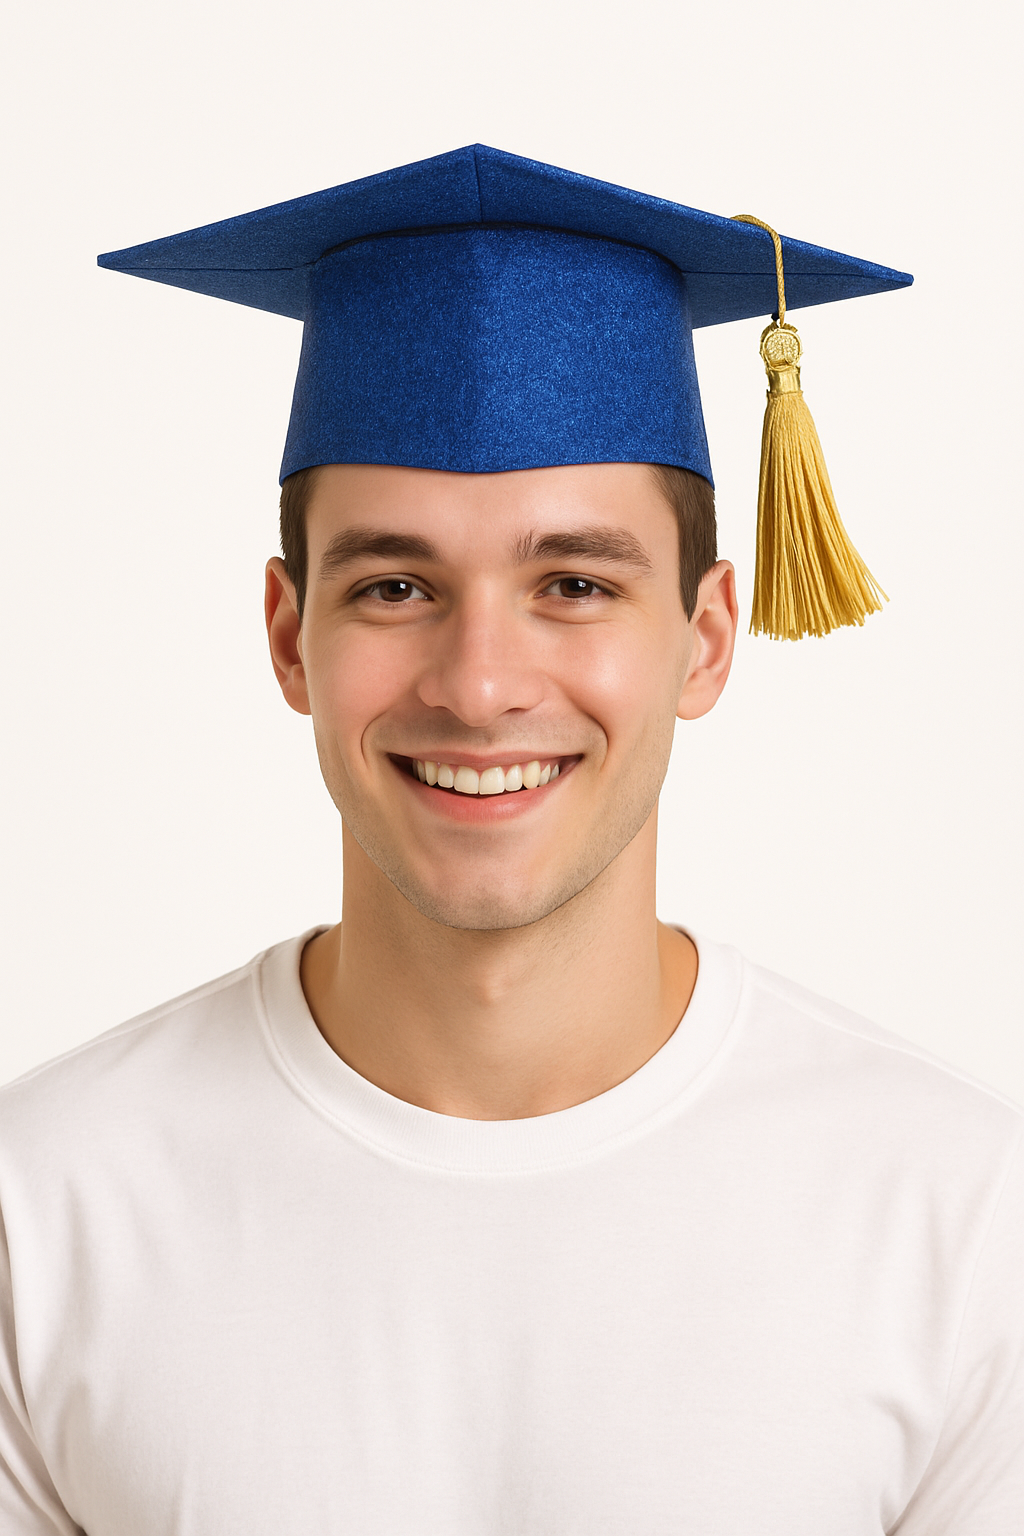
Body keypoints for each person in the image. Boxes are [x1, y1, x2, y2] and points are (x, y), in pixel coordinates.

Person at [0, 145, 1020, 1534]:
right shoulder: (44, 1213)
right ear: (291, 637)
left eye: (576, 583)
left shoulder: (958, 1226)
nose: (479, 685)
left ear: (708, 639)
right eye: (397, 584)